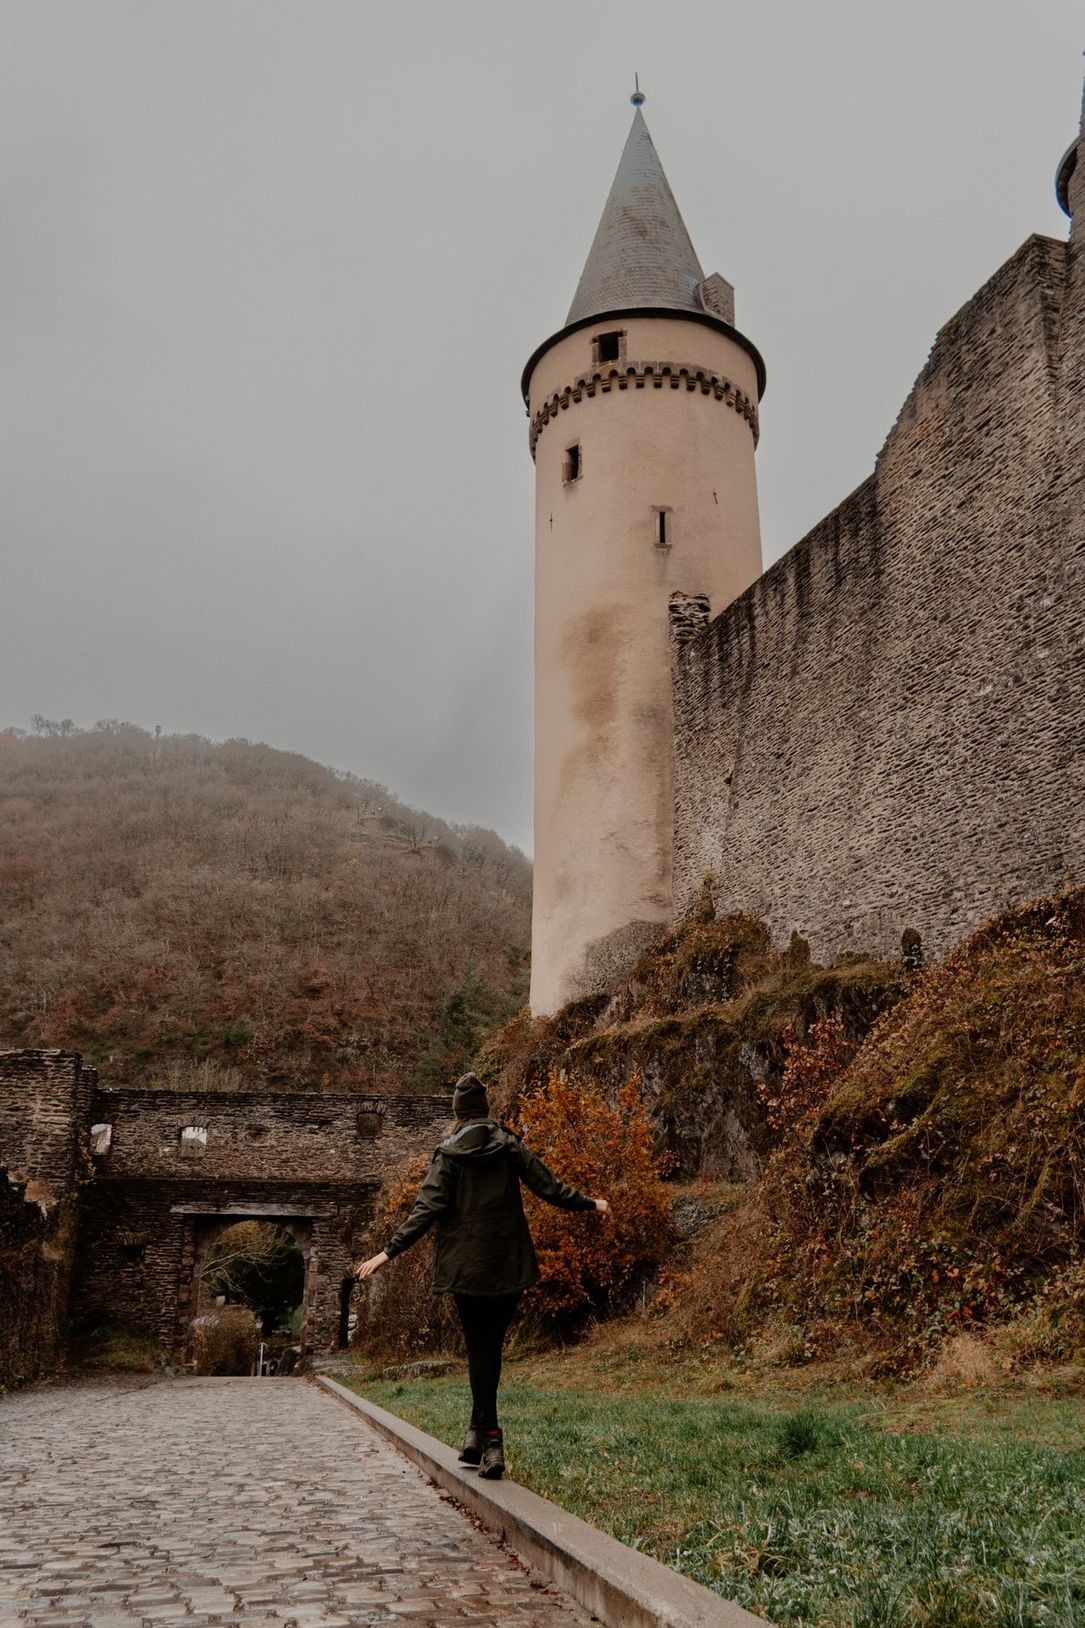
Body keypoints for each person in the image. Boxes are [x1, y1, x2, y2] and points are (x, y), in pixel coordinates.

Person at [354, 1072, 610, 1480]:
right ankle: (476, 1433)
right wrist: (590, 1203)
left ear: (458, 1114)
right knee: (491, 1349)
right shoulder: (510, 1146)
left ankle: (490, 1438)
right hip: (507, 1262)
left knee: (479, 1349)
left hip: (466, 1267)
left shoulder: (449, 1155)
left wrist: (388, 1251)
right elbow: (549, 1186)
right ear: (486, 1111)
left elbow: (427, 1209)